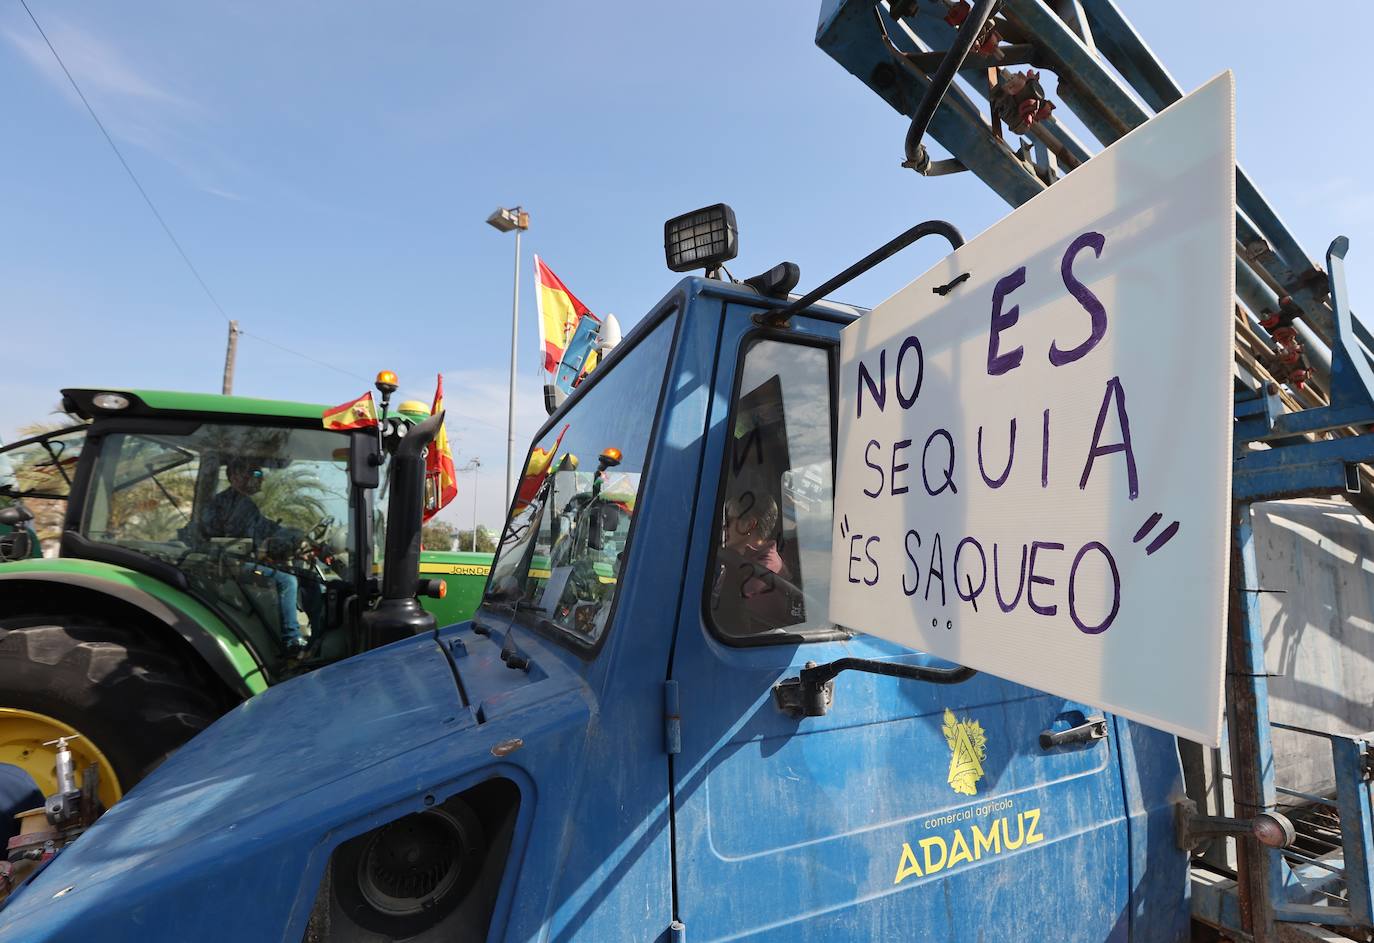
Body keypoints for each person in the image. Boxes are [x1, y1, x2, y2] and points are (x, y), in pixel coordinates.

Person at [200, 457, 311, 655]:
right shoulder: (226, 503)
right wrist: (270, 544)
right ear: (235, 476)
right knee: (288, 581)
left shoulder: (244, 504)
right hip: (231, 564)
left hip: (242, 560)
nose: (261, 479)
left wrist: (296, 537)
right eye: (256, 474)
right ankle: (291, 640)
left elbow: (267, 526)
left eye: (261, 474)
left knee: (303, 575)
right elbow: (236, 534)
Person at [710, 490, 799, 633]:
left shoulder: (760, 573)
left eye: (728, 520)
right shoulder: (742, 558)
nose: (723, 525)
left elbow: (723, 617)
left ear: (748, 525)